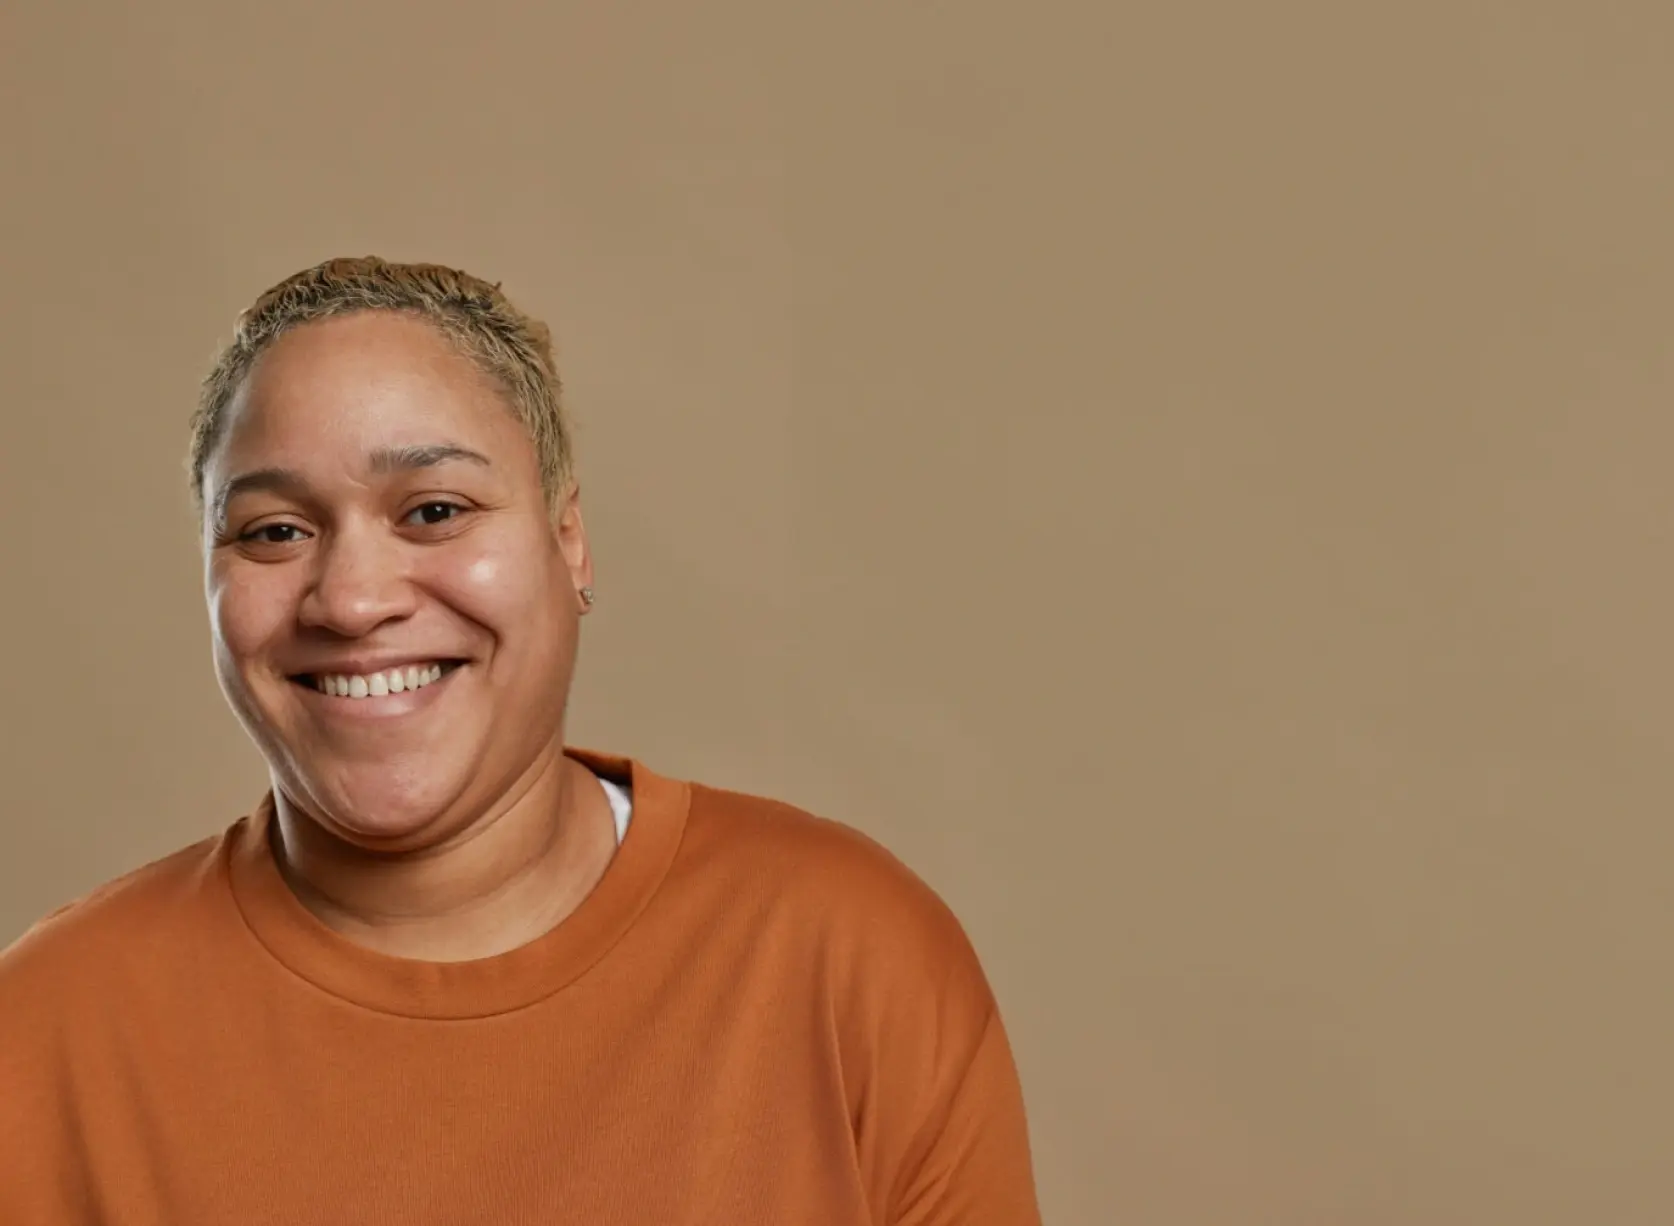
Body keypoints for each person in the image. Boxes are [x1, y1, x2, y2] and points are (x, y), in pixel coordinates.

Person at [0, 257, 1042, 1224]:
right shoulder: (45, 1037)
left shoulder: (844, 958)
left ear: (567, 541)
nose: (354, 599)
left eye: (435, 509)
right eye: (274, 529)